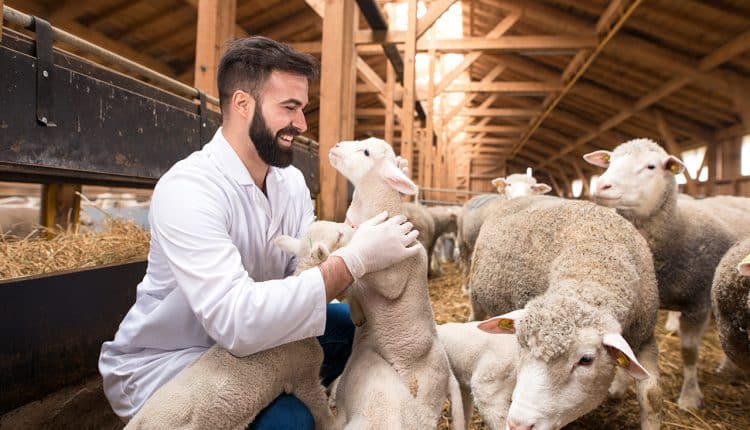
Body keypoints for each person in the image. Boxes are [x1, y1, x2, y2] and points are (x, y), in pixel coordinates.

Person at [98, 36, 420, 428]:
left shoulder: (291, 184)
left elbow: (303, 274)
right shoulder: (190, 188)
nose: (301, 124)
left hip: (261, 346)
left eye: (302, 109)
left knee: (359, 333)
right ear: (242, 104)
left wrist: (355, 232)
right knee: (291, 421)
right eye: (289, 108)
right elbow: (235, 321)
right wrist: (353, 260)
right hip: (177, 360)